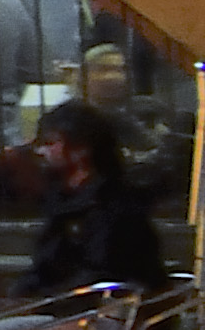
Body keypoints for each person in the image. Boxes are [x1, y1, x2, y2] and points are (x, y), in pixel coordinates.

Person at [18, 92, 172, 301]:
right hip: (63, 310)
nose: (42, 151)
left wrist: (44, 300)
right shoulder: (61, 200)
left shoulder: (115, 206)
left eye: (50, 142)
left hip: (99, 316)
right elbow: (45, 266)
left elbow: (102, 275)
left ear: (81, 149)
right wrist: (20, 295)